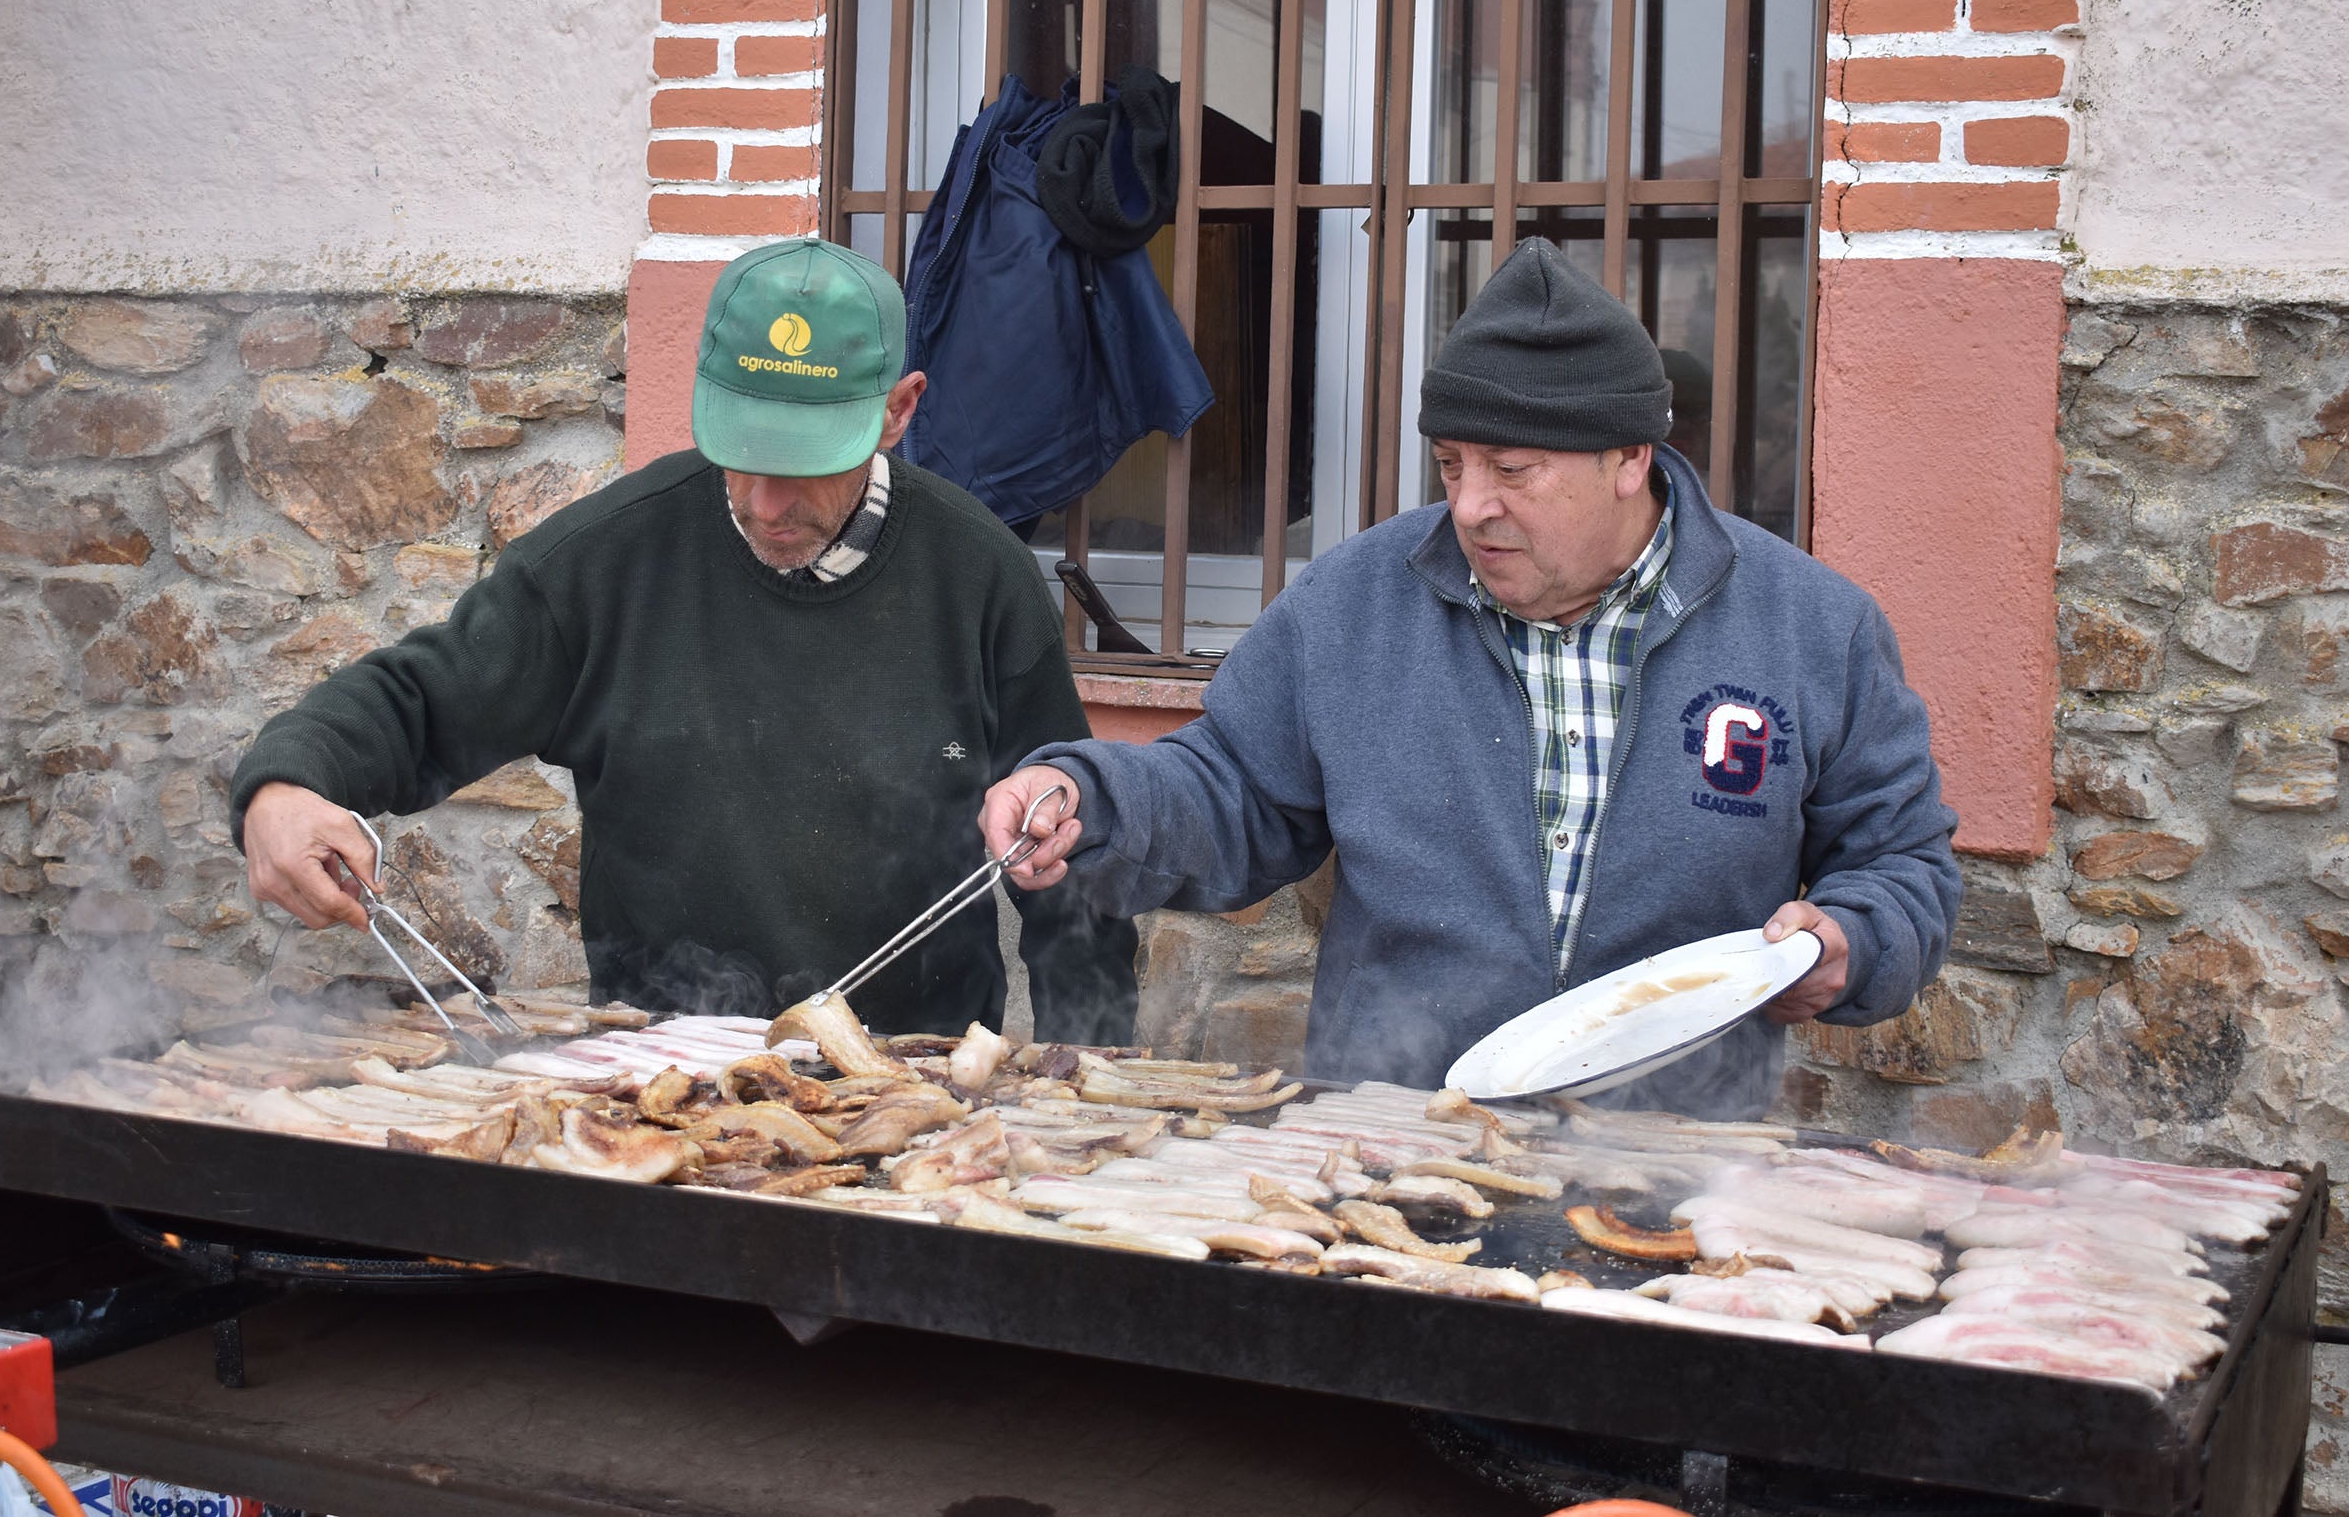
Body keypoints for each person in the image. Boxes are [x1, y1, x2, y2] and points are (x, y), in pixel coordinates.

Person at [979, 238, 1960, 1114]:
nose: (1471, 505)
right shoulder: (1356, 606)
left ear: (1631, 456)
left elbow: (1901, 864)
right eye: (1450, 465)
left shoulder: (1811, 630)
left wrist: (1853, 941)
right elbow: (1231, 787)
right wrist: (1086, 794)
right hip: (1393, 1143)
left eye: (1511, 467)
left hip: (1671, 1164)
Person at [233, 238, 1138, 1041]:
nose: (765, 504)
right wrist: (285, 784)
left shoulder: (981, 577)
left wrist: (1083, 1077)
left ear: (898, 412)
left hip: (911, 1091)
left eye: (806, 462)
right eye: (745, 451)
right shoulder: (608, 560)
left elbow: (1067, 859)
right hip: (657, 1086)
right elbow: (418, 701)